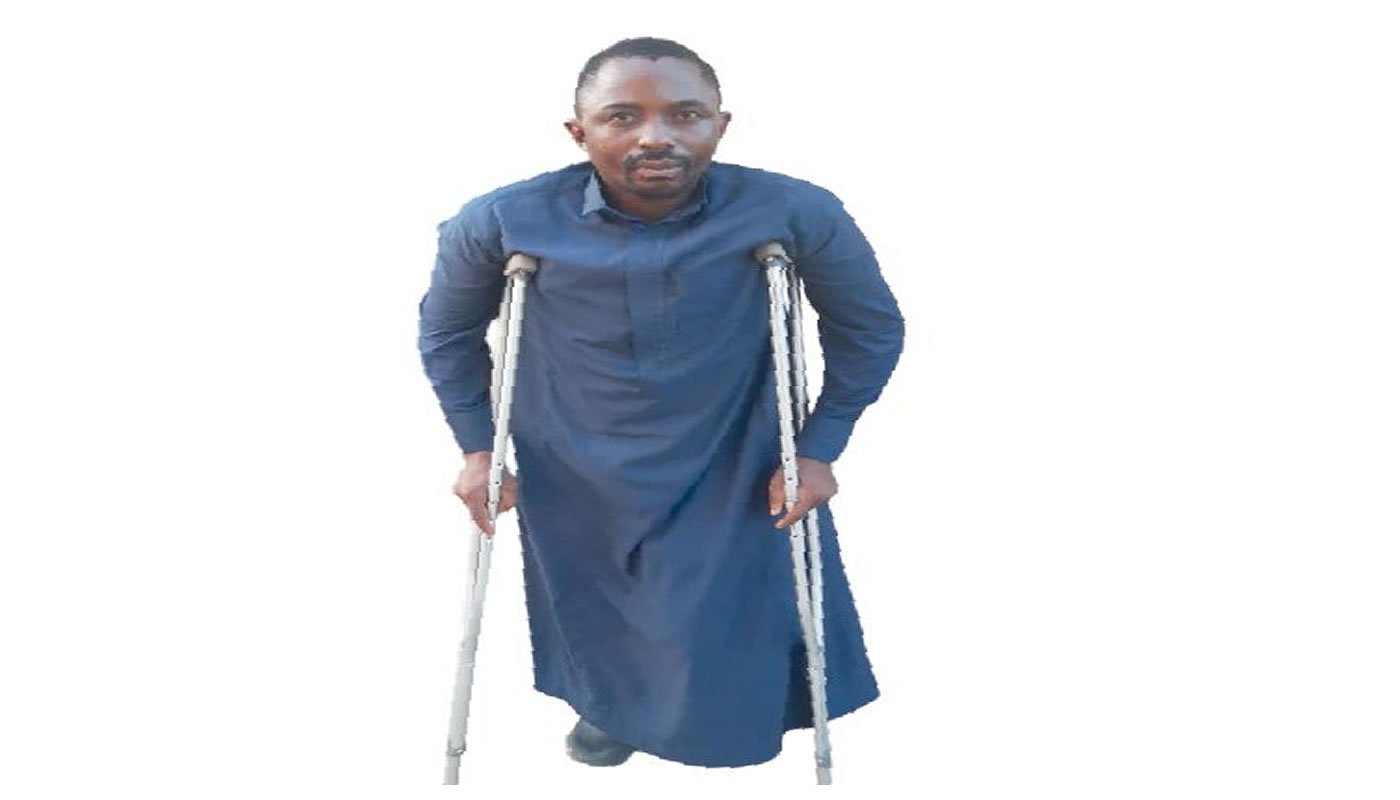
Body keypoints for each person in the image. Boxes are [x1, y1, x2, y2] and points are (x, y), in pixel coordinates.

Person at [416, 36, 904, 769]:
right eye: (622, 116)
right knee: (597, 599)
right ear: (579, 131)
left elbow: (870, 327)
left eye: (685, 114)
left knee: (728, 604)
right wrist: (479, 449)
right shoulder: (503, 221)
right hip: (574, 454)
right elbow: (447, 333)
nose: (656, 137)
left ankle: (737, 727)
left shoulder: (791, 210)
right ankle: (612, 712)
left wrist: (818, 448)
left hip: (734, 449)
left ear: (720, 124)